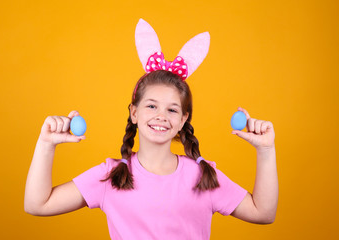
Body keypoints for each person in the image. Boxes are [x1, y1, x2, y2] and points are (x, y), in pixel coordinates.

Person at [24, 19, 278, 240]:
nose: (161, 116)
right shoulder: (110, 176)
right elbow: (38, 204)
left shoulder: (204, 176)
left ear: (182, 120)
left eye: (172, 110)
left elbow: (263, 213)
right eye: (151, 106)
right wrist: (46, 145)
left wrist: (266, 150)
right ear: (134, 113)